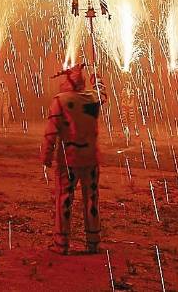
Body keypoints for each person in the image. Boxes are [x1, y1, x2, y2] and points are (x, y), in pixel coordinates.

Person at [41, 64, 107, 255]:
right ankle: (93, 241)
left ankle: (61, 243)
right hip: (91, 158)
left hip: (69, 160)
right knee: (91, 200)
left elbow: (51, 132)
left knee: (64, 200)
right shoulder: (93, 98)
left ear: (70, 82)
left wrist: (46, 155)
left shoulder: (60, 101)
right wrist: (97, 80)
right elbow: (102, 95)